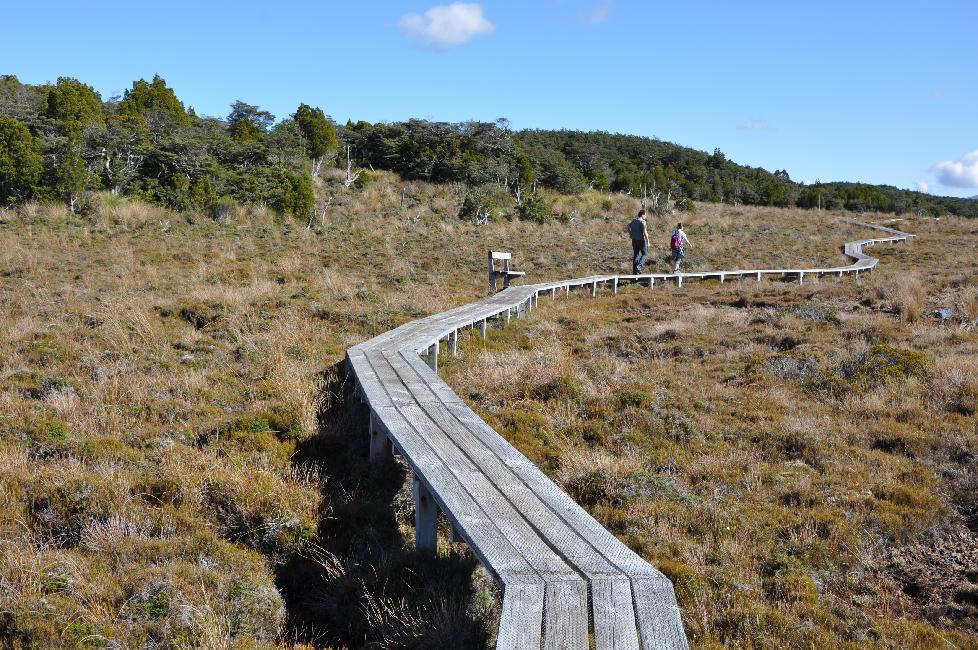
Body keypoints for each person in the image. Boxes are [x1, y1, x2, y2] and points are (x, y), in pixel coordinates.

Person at [627, 209, 650, 274]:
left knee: (636, 255)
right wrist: (648, 241)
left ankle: (635, 272)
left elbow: (627, 226)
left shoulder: (634, 221)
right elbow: (645, 232)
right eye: (645, 215)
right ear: (642, 215)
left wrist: (631, 234)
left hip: (634, 240)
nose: (646, 216)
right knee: (645, 254)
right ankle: (639, 266)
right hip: (641, 240)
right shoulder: (643, 222)